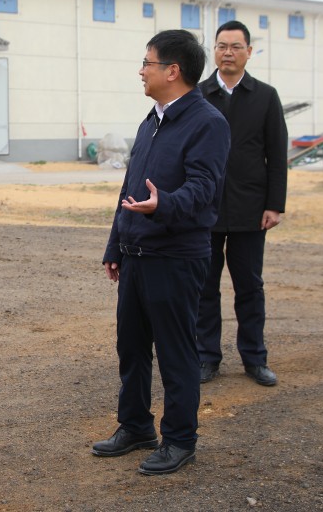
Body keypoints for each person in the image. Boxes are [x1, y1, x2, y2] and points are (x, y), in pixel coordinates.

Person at [92, 30, 230, 475]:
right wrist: (115, 243)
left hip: (175, 257)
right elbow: (129, 188)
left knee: (176, 352)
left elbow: (205, 189)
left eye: (147, 63)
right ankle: (135, 426)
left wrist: (163, 204)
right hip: (136, 254)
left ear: (173, 71)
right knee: (131, 348)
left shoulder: (207, 123)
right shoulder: (151, 120)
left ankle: (180, 439)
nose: (141, 71)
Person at [195, 20, 288, 387]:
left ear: (249, 52)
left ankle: (254, 358)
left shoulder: (265, 96)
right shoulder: (198, 95)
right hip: (205, 208)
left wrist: (274, 205)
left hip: (251, 209)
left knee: (249, 286)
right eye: (222, 46)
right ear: (214, 51)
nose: (228, 53)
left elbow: (276, 155)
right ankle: (206, 357)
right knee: (204, 287)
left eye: (236, 46)